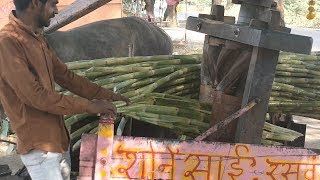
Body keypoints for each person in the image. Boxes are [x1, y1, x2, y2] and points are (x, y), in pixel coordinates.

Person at [0, 0, 130, 179]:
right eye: (53, 4)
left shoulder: (36, 37)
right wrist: (89, 106)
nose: (55, 11)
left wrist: (107, 94)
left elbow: (66, 76)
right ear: (35, 3)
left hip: (57, 140)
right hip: (39, 148)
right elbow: (35, 96)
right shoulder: (8, 42)